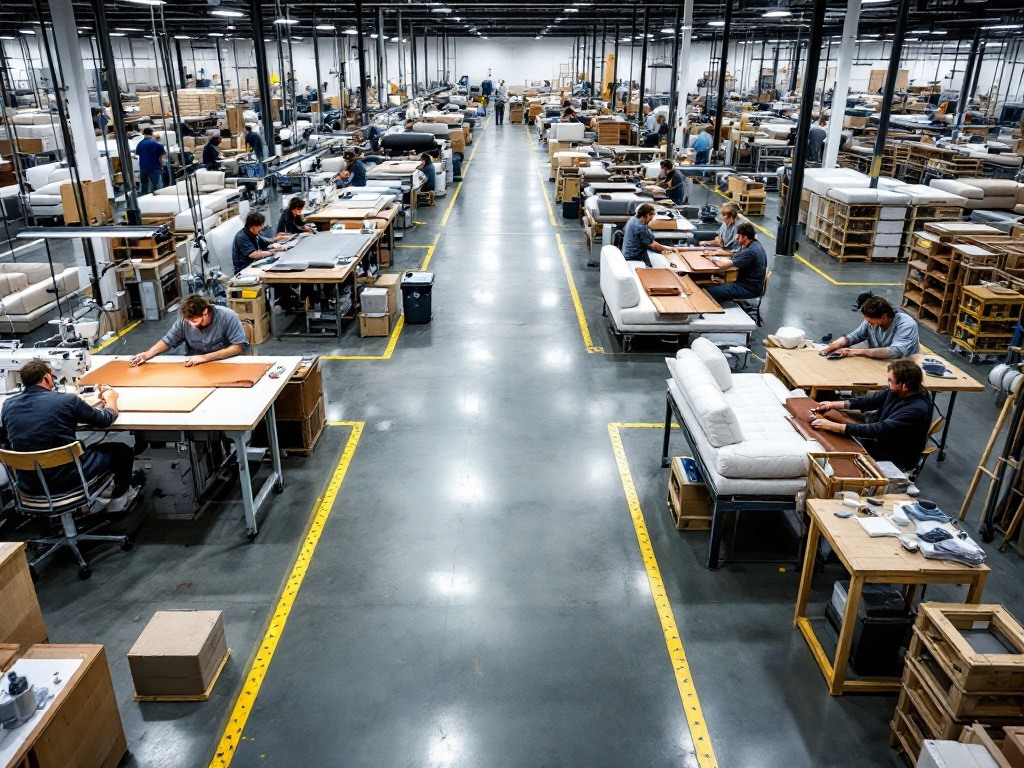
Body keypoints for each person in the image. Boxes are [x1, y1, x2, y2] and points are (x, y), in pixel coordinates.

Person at [0, 360, 140, 513]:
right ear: (47, 377)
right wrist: (110, 398)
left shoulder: (8, 406)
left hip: (30, 485)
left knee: (77, 448)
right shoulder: (67, 401)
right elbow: (105, 419)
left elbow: (9, 441)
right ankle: (118, 502)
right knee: (121, 451)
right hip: (68, 480)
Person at [810, 359, 932, 472]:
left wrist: (832, 426)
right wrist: (833, 404)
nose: (888, 383)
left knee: (838, 448)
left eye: (890, 380)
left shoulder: (915, 410)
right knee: (837, 423)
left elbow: (879, 429)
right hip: (883, 442)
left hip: (895, 458)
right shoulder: (897, 391)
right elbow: (870, 402)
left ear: (904, 385)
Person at [131, 294, 248, 368]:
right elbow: (168, 340)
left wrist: (205, 358)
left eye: (194, 320)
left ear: (205, 312)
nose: (191, 324)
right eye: (188, 321)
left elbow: (238, 347)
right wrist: (148, 353)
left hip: (225, 362)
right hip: (196, 364)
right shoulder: (184, 321)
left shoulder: (228, 316)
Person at [820, 295, 920, 359]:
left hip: (904, 362)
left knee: (855, 354)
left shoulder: (907, 325)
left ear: (884, 316)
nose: (867, 322)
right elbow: (855, 336)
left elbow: (895, 351)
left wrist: (856, 352)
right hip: (880, 354)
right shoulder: (870, 322)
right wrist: (837, 344)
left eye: (870, 319)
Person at [705, 222, 767, 303]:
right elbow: (733, 258)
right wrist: (718, 257)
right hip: (751, 285)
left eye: (739, 235)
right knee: (716, 287)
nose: (737, 238)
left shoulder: (750, 251)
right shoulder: (755, 245)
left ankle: (720, 310)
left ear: (744, 236)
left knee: (710, 291)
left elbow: (722, 265)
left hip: (748, 289)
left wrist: (711, 258)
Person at [621, 203, 680, 267]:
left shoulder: (632, 220)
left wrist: (667, 248)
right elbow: (654, 245)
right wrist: (668, 249)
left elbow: (648, 241)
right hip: (634, 258)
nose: (650, 221)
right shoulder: (640, 227)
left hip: (626, 255)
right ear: (647, 215)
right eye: (650, 218)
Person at [135, 127, 166, 194]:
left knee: (144, 188)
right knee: (158, 188)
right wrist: (162, 166)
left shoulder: (139, 144)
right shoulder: (158, 144)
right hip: (155, 168)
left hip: (143, 168)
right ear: (152, 133)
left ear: (143, 134)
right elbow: (161, 158)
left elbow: (138, 154)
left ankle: (145, 201)